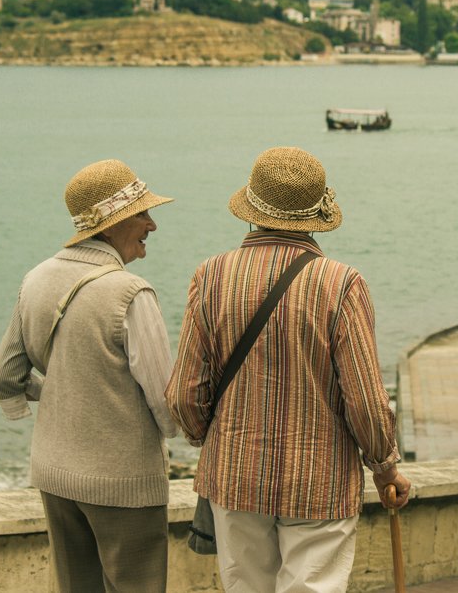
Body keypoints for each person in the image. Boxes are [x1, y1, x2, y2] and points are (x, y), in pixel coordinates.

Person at [166, 146, 410, 593]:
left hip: (234, 473)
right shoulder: (341, 284)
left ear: (253, 208)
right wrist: (384, 467)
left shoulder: (210, 275)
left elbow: (184, 393)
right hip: (320, 477)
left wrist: (213, 436)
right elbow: (366, 401)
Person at [0, 159, 177, 593]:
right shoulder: (131, 292)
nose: (152, 225)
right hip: (122, 482)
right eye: (142, 215)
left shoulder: (35, 278)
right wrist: (190, 433)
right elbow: (165, 403)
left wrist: (55, 391)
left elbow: (4, 375)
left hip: (54, 471)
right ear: (111, 226)